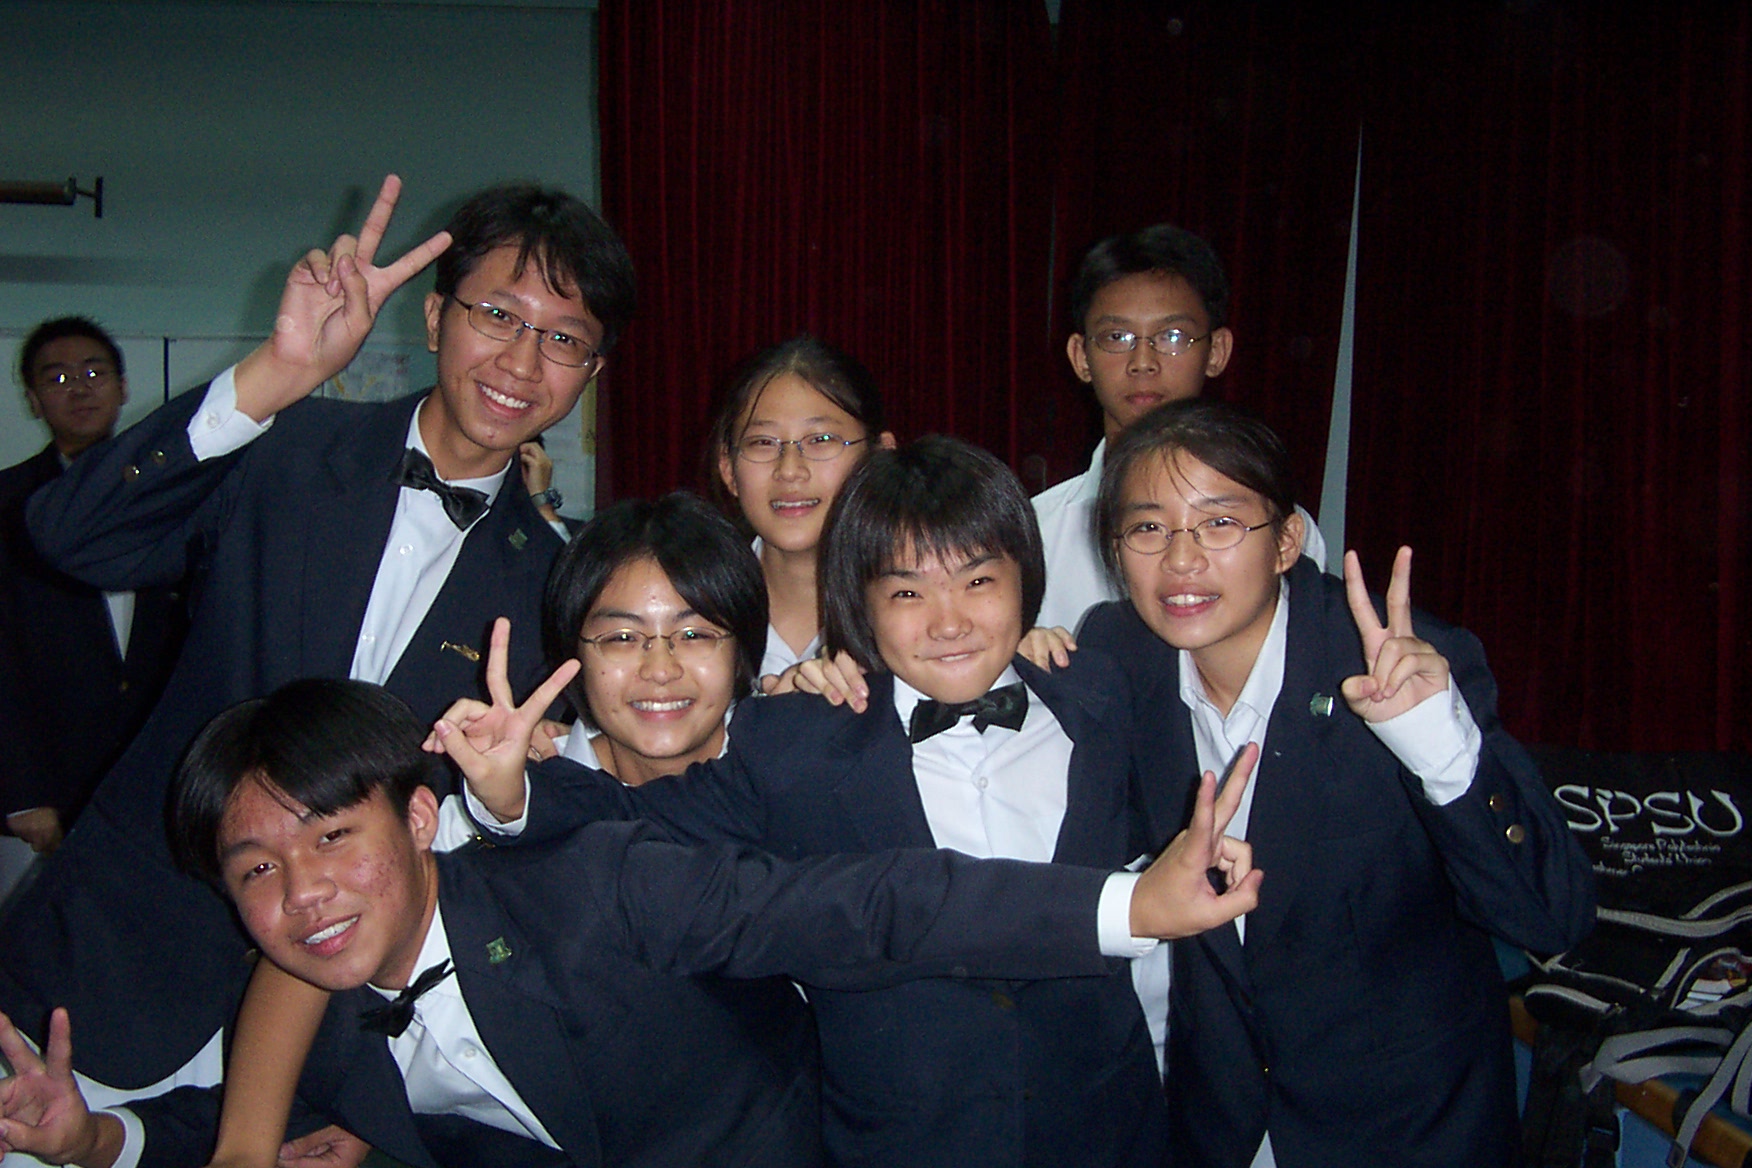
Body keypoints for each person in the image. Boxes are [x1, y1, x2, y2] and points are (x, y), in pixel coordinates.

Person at [0, 676, 1256, 1168]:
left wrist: (1128, 902)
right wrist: (93, 1136)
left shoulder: (595, 884)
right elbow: (232, 1128)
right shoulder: (306, 1008)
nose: (303, 893)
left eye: (332, 837)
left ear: (422, 817)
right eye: (256, 869)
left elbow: (872, 903)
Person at [0, 175, 635, 1107]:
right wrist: (278, 371)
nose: (521, 360)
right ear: (435, 318)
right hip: (108, 959)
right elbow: (70, 536)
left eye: (563, 339)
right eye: (498, 314)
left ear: (591, 375)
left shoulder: (552, 586)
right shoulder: (286, 445)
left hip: (317, 1045)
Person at [457, 436, 1195, 1168]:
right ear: (859, 602)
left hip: (1112, 1135)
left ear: (1025, 581)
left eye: (978, 581)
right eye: (907, 592)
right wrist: (510, 792)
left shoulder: (1099, 694)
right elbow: (636, 818)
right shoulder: (795, 743)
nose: (949, 622)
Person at [1077, 397, 1595, 1167]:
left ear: (1287, 541)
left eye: (1220, 523)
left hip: (1405, 1131)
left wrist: (1439, 746)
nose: (1180, 560)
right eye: (1148, 528)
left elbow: (1554, 919)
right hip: (1221, 1127)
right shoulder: (1119, 651)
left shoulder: (1392, 663)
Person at [1031, 224, 1327, 633]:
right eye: (1117, 336)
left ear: (1217, 351)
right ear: (1081, 356)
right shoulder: (1035, 534)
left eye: (1172, 336)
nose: (1143, 362)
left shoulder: (1271, 527)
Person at [0, 318, 185, 859]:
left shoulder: (174, 492)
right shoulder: (8, 504)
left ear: (122, 387)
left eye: (93, 372)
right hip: (51, 785)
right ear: (33, 400)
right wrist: (20, 793)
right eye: (56, 379)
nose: (79, 389)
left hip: (164, 774)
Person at [539, 492, 766, 783]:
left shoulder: (800, 781)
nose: (660, 671)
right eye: (622, 638)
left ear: (740, 651)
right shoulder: (521, 796)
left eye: (693, 635)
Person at [707, 335, 894, 682]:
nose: (790, 470)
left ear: (880, 457)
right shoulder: (693, 609)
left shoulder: (925, 613)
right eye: (763, 443)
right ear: (729, 470)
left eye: (821, 440)